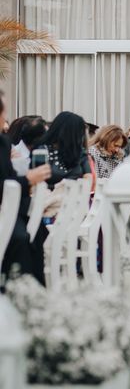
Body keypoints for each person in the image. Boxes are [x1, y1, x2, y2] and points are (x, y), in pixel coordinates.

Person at [0, 90, 51, 284]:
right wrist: (29, 179)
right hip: (5, 209)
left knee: (37, 229)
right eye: (3, 112)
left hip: (10, 207)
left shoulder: (4, 143)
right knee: (21, 237)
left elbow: (9, 180)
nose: (6, 120)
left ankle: (32, 290)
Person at [33, 111, 92, 190]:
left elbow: (88, 177)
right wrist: (58, 187)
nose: (81, 137)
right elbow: (36, 184)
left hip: (74, 197)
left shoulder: (79, 152)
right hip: (49, 198)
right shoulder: (42, 150)